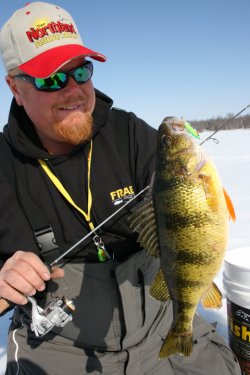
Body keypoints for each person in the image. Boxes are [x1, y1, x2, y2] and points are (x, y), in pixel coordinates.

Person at [0, 2, 241, 375]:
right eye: (51, 79)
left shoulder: (130, 133)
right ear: (15, 87)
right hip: (60, 347)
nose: (73, 90)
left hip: (161, 318)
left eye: (81, 71)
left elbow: (190, 214)